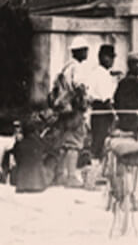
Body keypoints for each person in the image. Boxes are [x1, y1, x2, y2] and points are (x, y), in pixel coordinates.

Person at [48, 35, 90, 187]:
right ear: (80, 51)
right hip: (74, 109)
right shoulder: (77, 67)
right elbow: (78, 86)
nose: (86, 53)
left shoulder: (65, 67)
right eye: (85, 50)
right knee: (74, 142)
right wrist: (84, 100)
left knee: (64, 142)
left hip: (64, 109)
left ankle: (60, 175)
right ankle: (71, 176)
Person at [80, 44, 119, 158]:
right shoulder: (101, 74)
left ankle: (96, 161)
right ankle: (94, 162)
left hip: (98, 110)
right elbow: (106, 99)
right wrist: (114, 115)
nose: (112, 61)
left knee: (99, 140)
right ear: (103, 57)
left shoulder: (99, 72)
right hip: (102, 110)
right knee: (99, 141)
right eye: (110, 57)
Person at [12, 117, 51, 193]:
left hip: (22, 183)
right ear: (35, 131)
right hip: (39, 183)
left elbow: (17, 159)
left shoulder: (19, 144)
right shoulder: (40, 143)